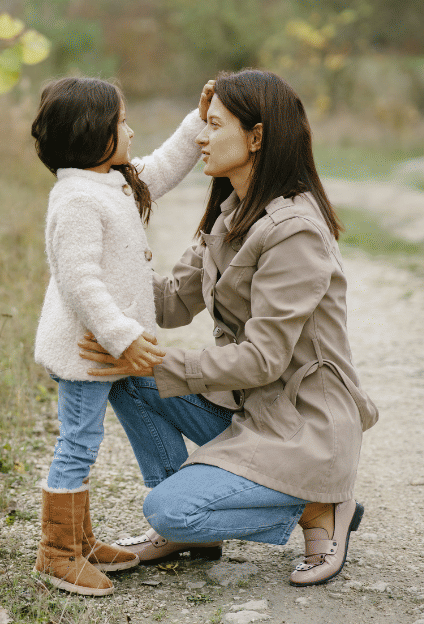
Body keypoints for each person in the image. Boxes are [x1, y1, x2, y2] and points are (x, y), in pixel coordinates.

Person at [78, 69, 379, 587]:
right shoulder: (232, 212)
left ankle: (318, 508)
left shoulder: (293, 233)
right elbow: (171, 304)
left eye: (214, 126)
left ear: (256, 137)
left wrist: (158, 360)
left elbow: (263, 359)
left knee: (166, 507)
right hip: (249, 408)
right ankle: (193, 526)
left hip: (300, 425)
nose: (201, 137)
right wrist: (105, 257)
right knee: (124, 374)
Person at [29, 76, 214, 596]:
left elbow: (164, 167)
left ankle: (82, 541)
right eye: (122, 122)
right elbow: (79, 278)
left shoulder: (109, 183)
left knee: (89, 438)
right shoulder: (77, 200)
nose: (131, 131)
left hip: (107, 351)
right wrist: (120, 336)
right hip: (87, 351)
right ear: (95, 135)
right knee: (79, 443)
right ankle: (57, 552)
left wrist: (197, 120)